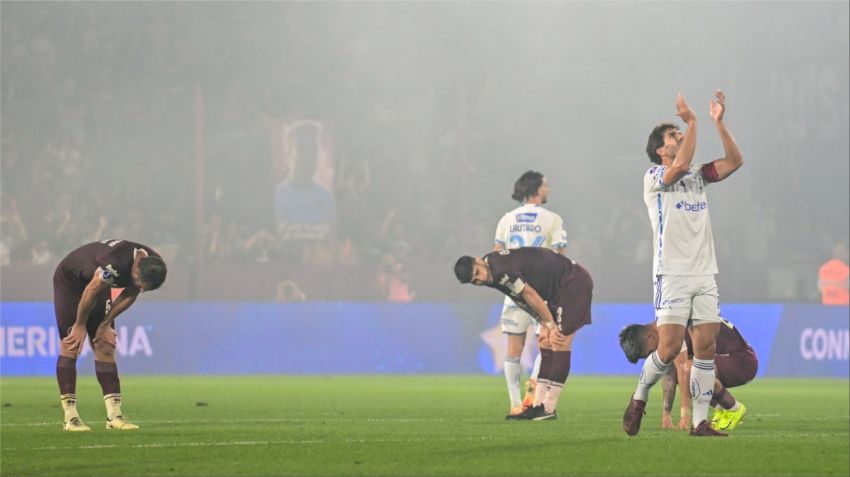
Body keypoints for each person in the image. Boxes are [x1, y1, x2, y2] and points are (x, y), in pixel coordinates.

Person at [623, 90, 743, 437]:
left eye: (681, 133)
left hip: (705, 273)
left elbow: (734, 161)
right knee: (669, 347)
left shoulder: (698, 176)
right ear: (661, 150)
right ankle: (639, 396)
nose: (680, 137)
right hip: (672, 274)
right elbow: (679, 166)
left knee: (705, 346)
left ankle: (700, 422)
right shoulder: (655, 177)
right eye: (673, 135)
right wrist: (692, 121)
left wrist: (717, 123)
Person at [454, 246, 593, 421]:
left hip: (573, 283)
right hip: (556, 291)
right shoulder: (491, 268)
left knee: (560, 341)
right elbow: (518, 298)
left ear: (478, 260)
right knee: (545, 340)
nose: (480, 279)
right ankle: (537, 406)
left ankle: (548, 408)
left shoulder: (502, 269)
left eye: (477, 273)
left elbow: (529, 293)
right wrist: (543, 322)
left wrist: (550, 323)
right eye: (475, 281)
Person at [54, 239, 167, 431]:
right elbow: (90, 290)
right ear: (136, 271)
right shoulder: (116, 263)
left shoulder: (153, 264)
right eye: (140, 284)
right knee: (71, 343)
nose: (141, 289)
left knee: (105, 345)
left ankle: (114, 417)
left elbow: (131, 292)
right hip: (72, 282)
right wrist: (80, 325)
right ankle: (70, 417)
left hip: (99, 284)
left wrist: (105, 324)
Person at [493, 171, 568, 418]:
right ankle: (531, 397)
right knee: (544, 346)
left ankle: (515, 404)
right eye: (545, 185)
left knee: (513, 350)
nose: (548, 189)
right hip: (542, 293)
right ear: (537, 188)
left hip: (514, 292)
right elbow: (560, 257)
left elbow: (496, 255)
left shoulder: (507, 219)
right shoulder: (552, 219)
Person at [619, 317, 757, 432]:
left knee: (689, 370)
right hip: (728, 360)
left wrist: (685, 416)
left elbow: (683, 370)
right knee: (683, 370)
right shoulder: (667, 324)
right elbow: (670, 373)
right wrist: (666, 413)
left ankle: (734, 409)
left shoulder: (671, 327)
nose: (652, 356)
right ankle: (721, 410)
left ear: (650, 337)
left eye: (649, 352)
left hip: (741, 362)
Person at [818, 241, 849, 305]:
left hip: (826, 306)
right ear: (845, 254)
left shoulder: (823, 269)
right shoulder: (846, 270)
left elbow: (819, 288)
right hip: (844, 307)